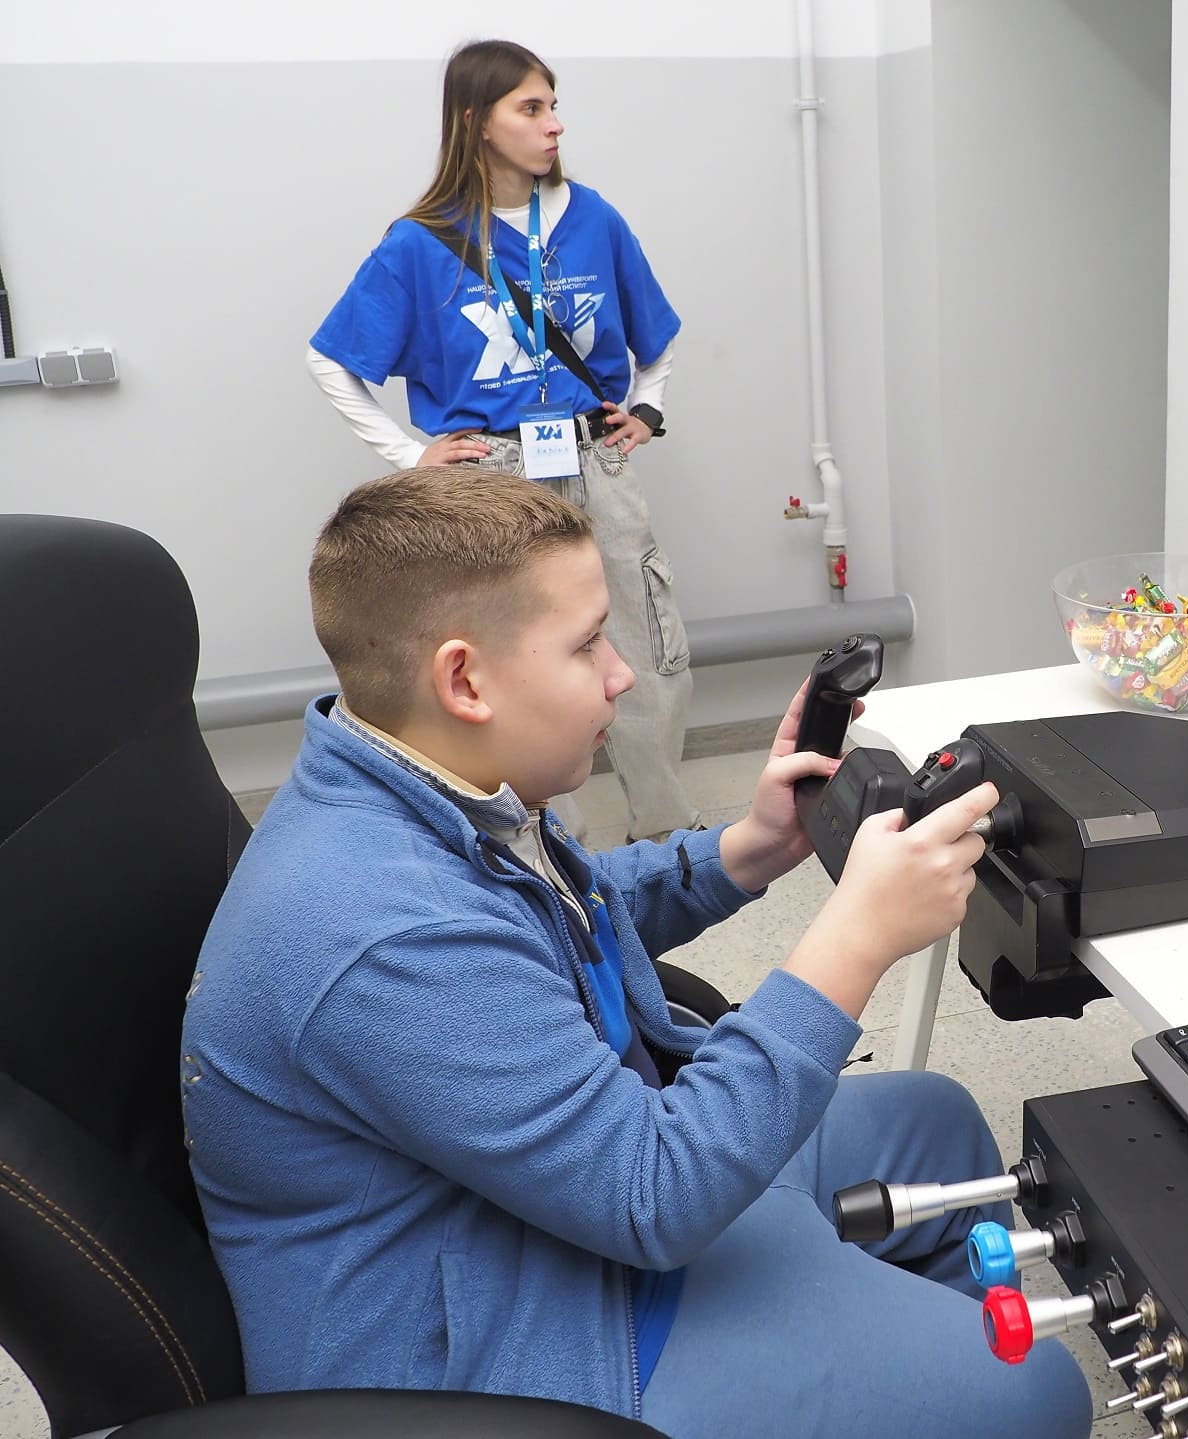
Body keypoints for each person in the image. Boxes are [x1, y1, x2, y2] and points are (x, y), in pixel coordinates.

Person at [181, 467, 1091, 1439]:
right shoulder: (382, 931)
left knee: (935, 1123)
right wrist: (856, 935)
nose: (620, 673)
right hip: (515, 1341)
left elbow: (552, 915)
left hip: (548, 1200)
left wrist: (747, 848)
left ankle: (906, 1376)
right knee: (1039, 1391)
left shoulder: (423, 776)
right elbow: (656, 1197)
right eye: (586, 644)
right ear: (464, 679)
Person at [307, 38, 694, 842]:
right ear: (477, 121)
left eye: (554, 105)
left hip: (593, 458)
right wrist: (411, 456)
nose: (555, 124)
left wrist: (647, 410)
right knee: (520, 668)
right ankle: (549, 850)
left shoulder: (592, 218)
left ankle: (665, 836)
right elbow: (331, 359)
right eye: (532, 107)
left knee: (642, 650)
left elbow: (655, 339)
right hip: (492, 477)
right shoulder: (422, 241)